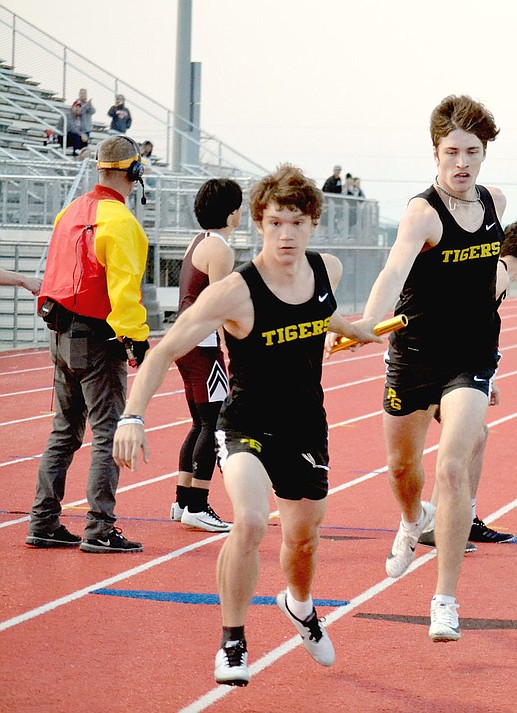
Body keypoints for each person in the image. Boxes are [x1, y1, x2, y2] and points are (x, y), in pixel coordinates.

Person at [113, 164, 369, 686]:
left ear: (312, 224)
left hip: (306, 427)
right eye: (275, 223)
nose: (286, 234)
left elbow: (325, 317)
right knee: (251, 521)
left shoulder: (327, 271)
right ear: (258, 223)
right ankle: (233, 640)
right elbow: (165, 349)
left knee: (303, 538)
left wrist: (357, 330)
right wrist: (133, 415)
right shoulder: (234, 291)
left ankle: (299, 605)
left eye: (296, 223)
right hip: (246, 425)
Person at [335, 95, 506, 643]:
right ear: (435, 152)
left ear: (485, 154)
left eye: (472, 152)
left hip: (471, 355)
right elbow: (392, 271)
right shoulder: (422, 212)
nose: (462, 162)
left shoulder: (496, 203)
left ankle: (445, 597)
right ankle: (414, 520)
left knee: (453, 465)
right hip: (413, 353)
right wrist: (367, 322)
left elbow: (486, 283)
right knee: (401, 469)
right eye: (452, 151)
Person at [26, 135, 150, 553]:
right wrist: (137, 339)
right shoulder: (122, 223)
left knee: (64, 431)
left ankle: (43, 521)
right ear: (134, 172)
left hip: (59, 333)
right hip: (98, 337)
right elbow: (124, 291)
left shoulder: (69, 212)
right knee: (108, 432)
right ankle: (99, 527)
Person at [419, 220, 517, 550]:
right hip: (437, 364)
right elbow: (466, 324)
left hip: (454, 363)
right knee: (459, 443)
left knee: (477, 435)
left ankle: (465, 517)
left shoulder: (498, 273)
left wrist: (488, 379)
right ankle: (432, 522)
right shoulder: (497, 275)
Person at [169, 179, 242, 533]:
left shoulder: (197, 241)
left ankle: (183, 500)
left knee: (199, 421)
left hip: (185, 341)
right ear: (233, 213)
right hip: (204, 344)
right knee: (213, 424)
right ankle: (197, 505)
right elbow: (221, 304)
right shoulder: (221, 249)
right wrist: (235, 347)